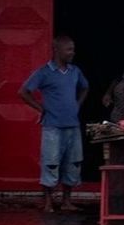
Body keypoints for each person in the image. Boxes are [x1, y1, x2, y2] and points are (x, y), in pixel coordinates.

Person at [19, 35, 89, 213]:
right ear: (56, 50)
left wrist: (77, 105)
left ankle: (66, 201)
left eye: (73, 49)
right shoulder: (44, 72)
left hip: (72, 125)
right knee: (50, 163)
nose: (72, 53)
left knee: (72, 163)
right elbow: (24, 91)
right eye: (69, 49)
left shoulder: (75, 71)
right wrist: (40, 108)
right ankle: (48, 202)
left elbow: (85, 87)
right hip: (52, 126)